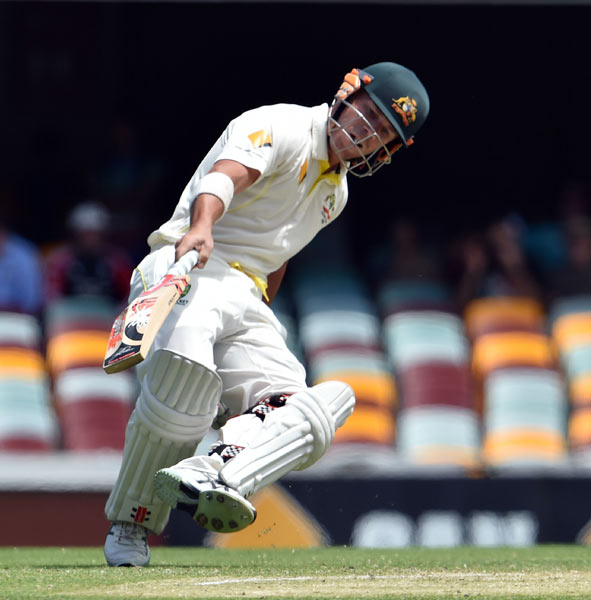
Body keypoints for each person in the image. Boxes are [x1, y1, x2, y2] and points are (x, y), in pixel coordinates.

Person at [103, 62, 429, 567]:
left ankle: (218, 469)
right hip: (190, 264)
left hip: (244, 297)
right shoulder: (282, 124)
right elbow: (223, 177)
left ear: (385, 151)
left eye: (383, 131)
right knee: (186, 386)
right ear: (348, 94)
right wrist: (201, 226)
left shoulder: (335, 194)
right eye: (370, 113)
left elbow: (275, 255)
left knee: (318, 408)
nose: (368, 131)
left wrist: (259, 321)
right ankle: (131, 525)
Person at [44, 201, 133, 304]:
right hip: (69, 317)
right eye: (85, 235)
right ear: (75, 235)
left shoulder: (118, 261)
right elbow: (50, 295)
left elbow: (130, 294)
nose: (91, 240)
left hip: (109, 317)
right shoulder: (59, 260)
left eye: (95, 234)